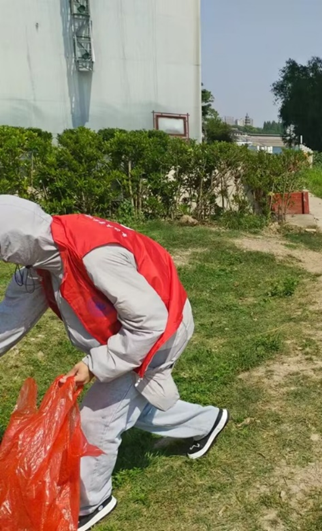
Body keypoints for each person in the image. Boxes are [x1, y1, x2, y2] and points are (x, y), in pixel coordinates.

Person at [0, 196, 229, 531]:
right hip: (128, 334)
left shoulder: (93, 255)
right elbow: (9, 319)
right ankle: (207, 422)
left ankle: (91, 503)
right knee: (130, 406)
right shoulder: (41, 259)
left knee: (98, 417)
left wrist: (96, 365)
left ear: (17, 244)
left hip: (163, 327)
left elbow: (150, 323)